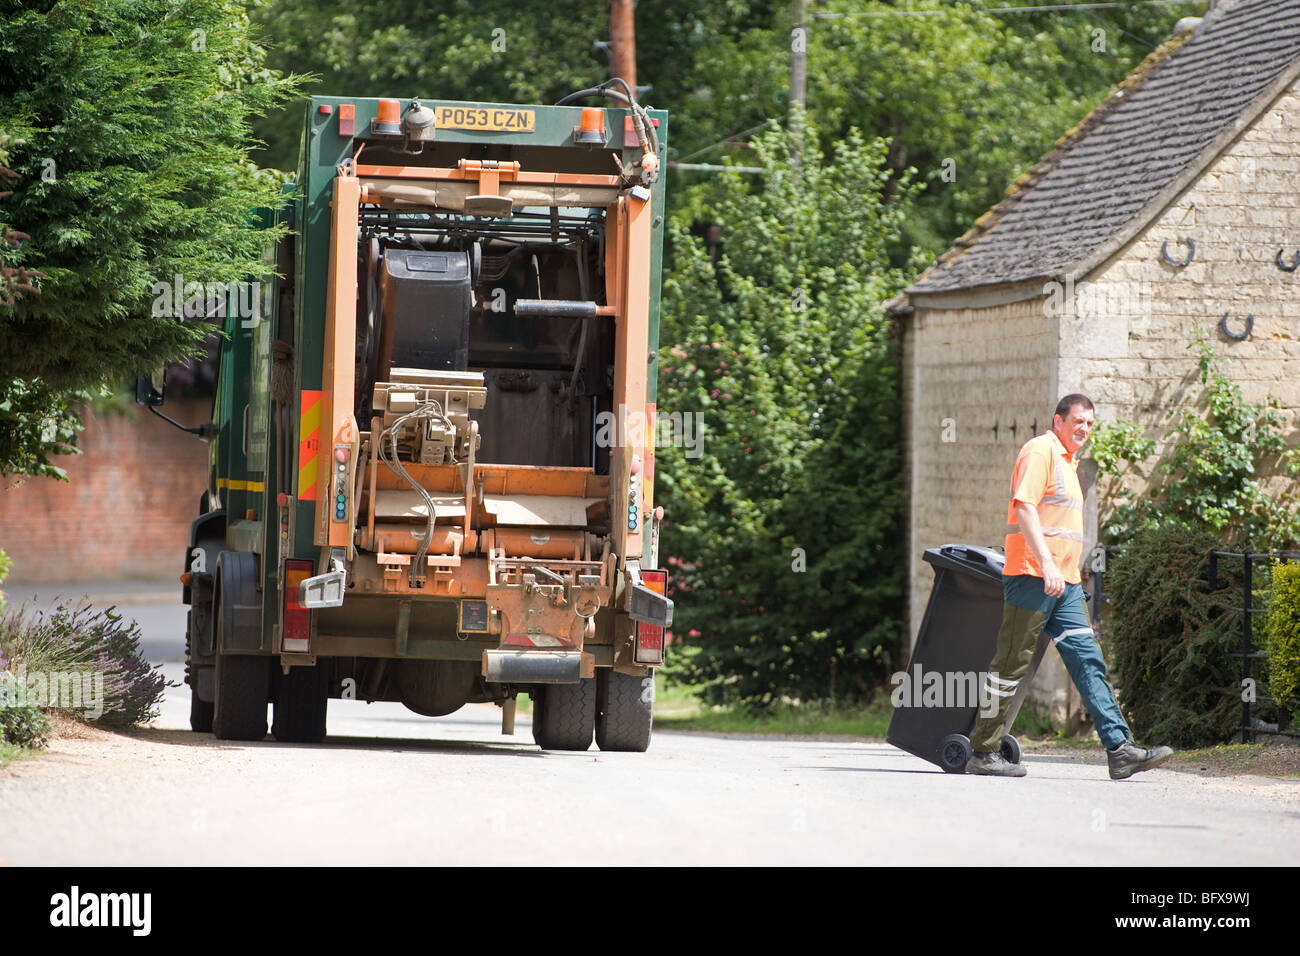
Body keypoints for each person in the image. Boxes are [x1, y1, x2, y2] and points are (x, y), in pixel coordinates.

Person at [967, 394, 1174, 779]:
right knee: (1011, 663)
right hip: (1031, 576)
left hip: (1065, 585)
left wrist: (1061, 572)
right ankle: (982, 750)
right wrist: (1046, 562)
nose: (1085, 429)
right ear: (1058, 421)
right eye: (1078, 421)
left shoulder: (1068, 462)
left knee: (1087, 661)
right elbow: (1024, 506)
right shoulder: (1039, 451)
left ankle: (1120, 749)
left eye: (1091, 424)